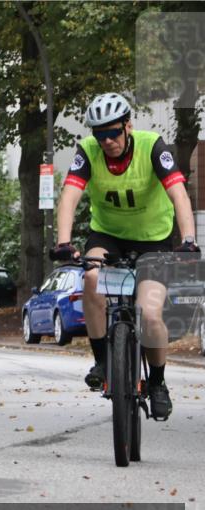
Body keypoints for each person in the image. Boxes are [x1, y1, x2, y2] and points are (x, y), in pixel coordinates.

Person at [52, 92, 199, 419]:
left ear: (128, 126)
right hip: (108, 235)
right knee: (91, 277)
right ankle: (103, 361)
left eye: (113, 133)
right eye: (99, 134)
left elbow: (178, 194)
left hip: (153, 240)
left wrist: (188, 239)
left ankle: (158, 382)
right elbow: (69, 197)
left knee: (149, 314)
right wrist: (64, 241)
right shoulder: (89, 153)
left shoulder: (152, 147)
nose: (107, 141)